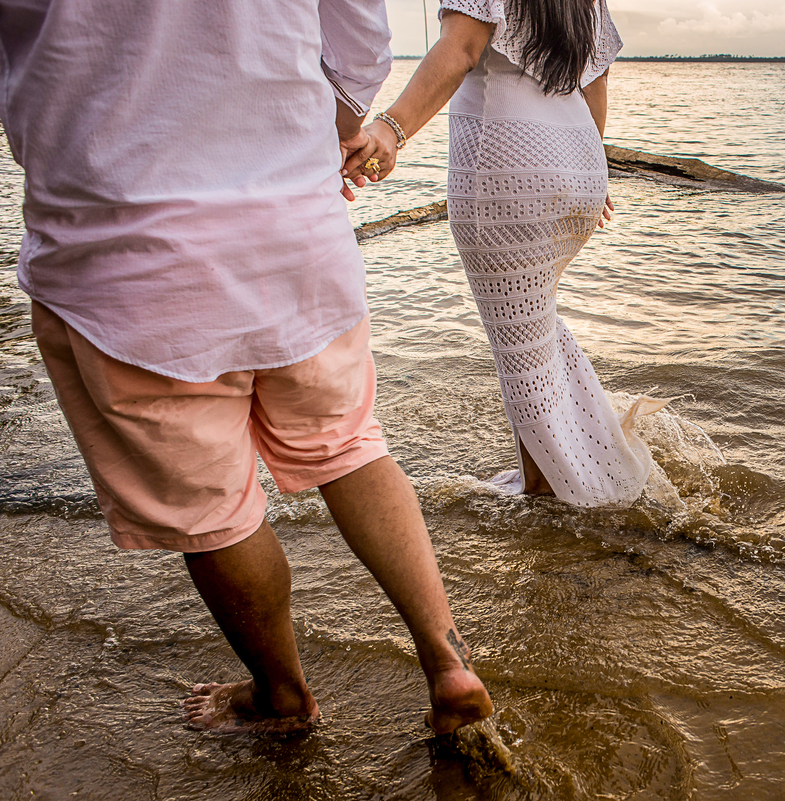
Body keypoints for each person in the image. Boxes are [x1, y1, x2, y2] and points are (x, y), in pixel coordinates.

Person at [0, 0, 491, 735]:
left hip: (124, 244)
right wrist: (301, 144)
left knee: (214, 510)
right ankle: (447, 658)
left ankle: (281, 695)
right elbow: (359, 32)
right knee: (351, 446)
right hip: (296, 228)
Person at [343, 0, 667, 508]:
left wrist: (392, 127)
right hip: (577, 159)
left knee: (520, 351)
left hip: (507, 168)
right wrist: (588, 171)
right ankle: (584, 463)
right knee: (534, 331)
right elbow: (596, 78)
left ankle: (558, 497)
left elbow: (462, 48)